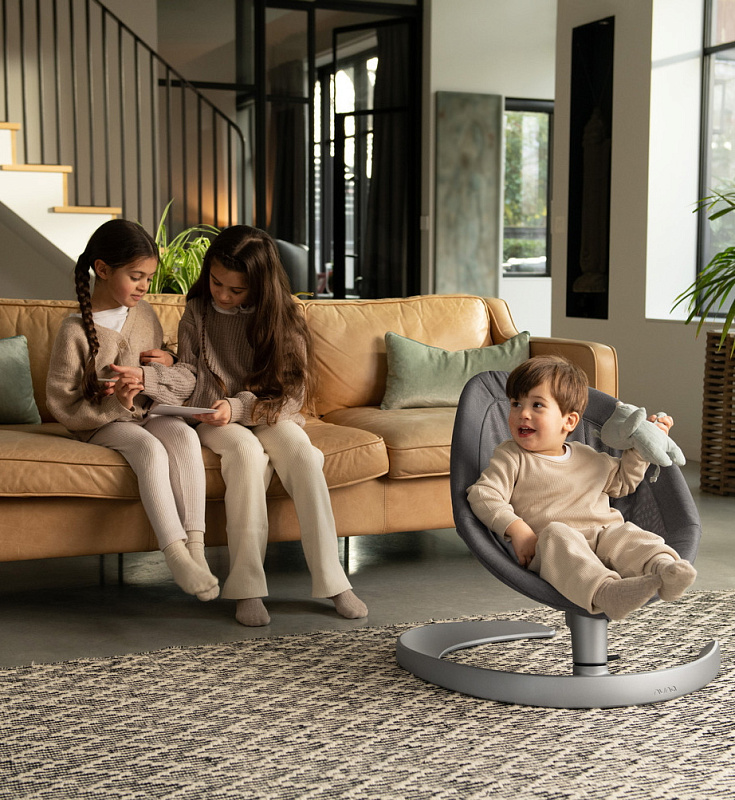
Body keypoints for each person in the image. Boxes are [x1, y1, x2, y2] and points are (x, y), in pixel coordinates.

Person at [138, 224, 368, 627]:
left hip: (267, 411)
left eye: (236, 290)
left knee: (303, 456)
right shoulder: (198, 310)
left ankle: (334, 581)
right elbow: (192, 375)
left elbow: (291, 395)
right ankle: (247, 588)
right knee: (245, 455)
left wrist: (238, 407)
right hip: (211, 414)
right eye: (216, 282)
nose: (222, 295)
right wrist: (161, 374)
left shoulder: (285, 315)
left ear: (260, 285)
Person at [46, 219, 219, 602]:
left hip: (148, 412)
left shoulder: (145, 314)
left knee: (183, 436)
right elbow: (62, 403)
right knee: (149, 449)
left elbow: (161, 366)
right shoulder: (74, 331)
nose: (144, 286)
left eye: (148, 278)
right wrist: (117, 402)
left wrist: (168, 359)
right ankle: (174, 554)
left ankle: (196, 549)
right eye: (136, 276)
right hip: (100, 422)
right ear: (103, 269)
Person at [467, 355, 697, 621]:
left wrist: (641, 447)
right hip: (551, 549)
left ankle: (664, 570)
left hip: (602, 535)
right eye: (516, 403)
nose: (523, 414)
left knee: (627, 535)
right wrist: (517, 529)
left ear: (569, 421)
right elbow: (484, 494)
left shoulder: (588, 455)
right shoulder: (512, 456)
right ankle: (606, 592)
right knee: (557, 533)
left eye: (537, 405)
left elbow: (623, 482)